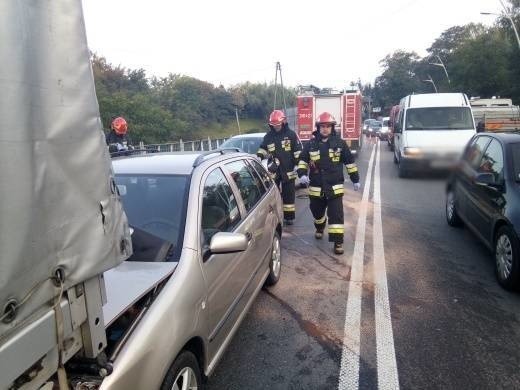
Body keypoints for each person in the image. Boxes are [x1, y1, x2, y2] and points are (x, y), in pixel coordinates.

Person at [297, 112, 361, 255]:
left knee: (336, 215)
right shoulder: (311, 144)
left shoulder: (340, 144)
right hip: (316, 187)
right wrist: (301, 174)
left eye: (328, 126)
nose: (325, 129)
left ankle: (338, 242)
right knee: (317, 212)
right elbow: (302, 161)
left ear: (332, 128)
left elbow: (350, 163)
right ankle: (320, 227)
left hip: (334, 187)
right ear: (318, 128)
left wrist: (355, 179)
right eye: (322, 126)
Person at [257, 109, 302, 225]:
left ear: (283, 122)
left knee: (289, 195)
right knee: (273, 194)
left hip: (288, 169)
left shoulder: (291, 135)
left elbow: (297, 151)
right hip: (274, 170)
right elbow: (263, 148)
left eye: (278, 124)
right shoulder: (268, 136)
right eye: (274, 125)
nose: (276, 127)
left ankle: (289, 217)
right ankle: (276, 216)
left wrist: (298, 165)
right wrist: (259, 156)